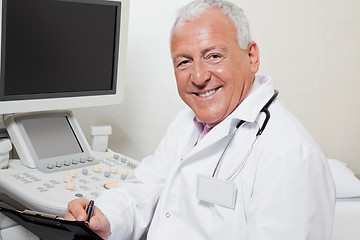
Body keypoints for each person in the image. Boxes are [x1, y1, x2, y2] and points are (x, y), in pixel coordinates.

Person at [65, 0, 335, 239]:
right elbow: (145, 187)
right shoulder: (187, 123)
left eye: (214, 56)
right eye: (184, 62)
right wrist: (103, 216)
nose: (198, 76)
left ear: (252, 57)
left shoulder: (291, 156)